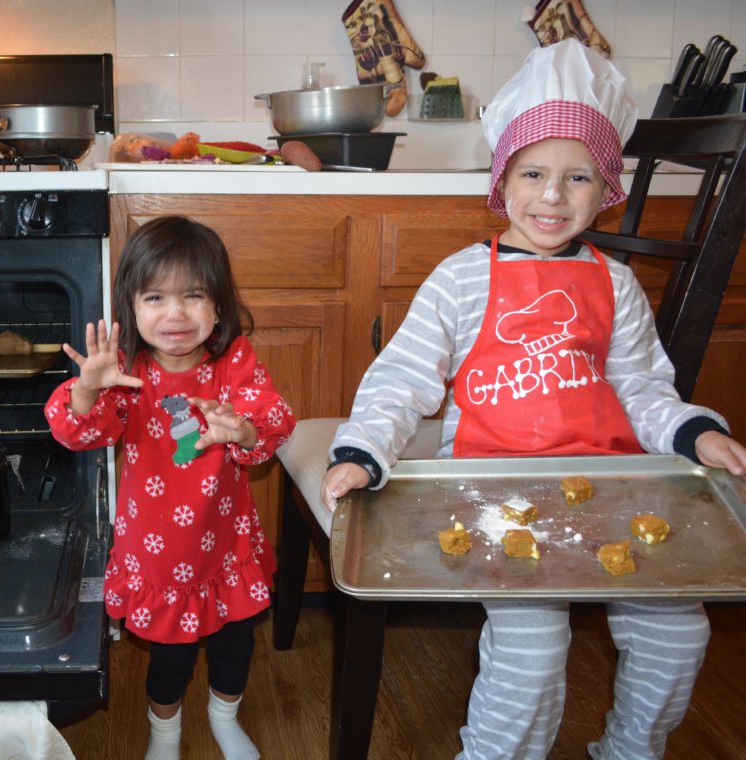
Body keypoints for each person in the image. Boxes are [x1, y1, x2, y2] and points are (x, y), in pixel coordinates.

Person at [320, 39, 746, 760]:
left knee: (679, 634)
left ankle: (629, 750)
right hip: (497, 488)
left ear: (606, 188)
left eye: (578, 177)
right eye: (534, 173)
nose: (553, 196)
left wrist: (692, 430)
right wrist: (364, 450)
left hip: (614, 486)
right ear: (502, 180)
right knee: (532, 652)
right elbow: (401, 378)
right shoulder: (460, 279)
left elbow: (643, 385)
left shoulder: (615, 284)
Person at [44, 215, 296, 760]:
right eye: (155, 297)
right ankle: (164, 732)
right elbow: (76, 432)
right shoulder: (125, 373)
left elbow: (272, 421)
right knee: (169, 660)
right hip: (158, 558)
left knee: (235, 648)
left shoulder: (233, 361)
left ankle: (224, 718)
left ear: (218, 307)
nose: (175, 313)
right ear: (131, 308)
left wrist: (243, 429)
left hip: (226, 549)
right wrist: (87, 390)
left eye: (193, 296)